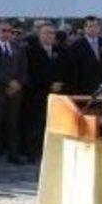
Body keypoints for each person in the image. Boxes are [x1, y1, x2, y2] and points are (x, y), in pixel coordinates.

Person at [0, 20, 28, 165]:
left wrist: (18, 83)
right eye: (3, 30)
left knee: (13, 124)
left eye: (9, 31)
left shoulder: (18, 47)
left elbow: (23, 68)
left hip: (15, 92)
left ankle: (13, 154)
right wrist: (8, 82)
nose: (7, 33)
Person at [23, 23, 70, 162]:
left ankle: (52, 152)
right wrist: (49, 85)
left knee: (55, 124)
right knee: (36, 124)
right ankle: (33, 153)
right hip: (37, 94)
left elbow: (66, 69)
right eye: (46, 33)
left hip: (58, 94)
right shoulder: (30, 51)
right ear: (39, 35)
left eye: (52, 33)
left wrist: (60, 83)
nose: (50, 36)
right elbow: (31, 73)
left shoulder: (61, 51)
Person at [69, 16, 102, 96]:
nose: (94, 28)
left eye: (96, 26)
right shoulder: (77, 45)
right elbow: (74, 70)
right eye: (90, 26)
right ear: (84, 28)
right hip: (85, 88)